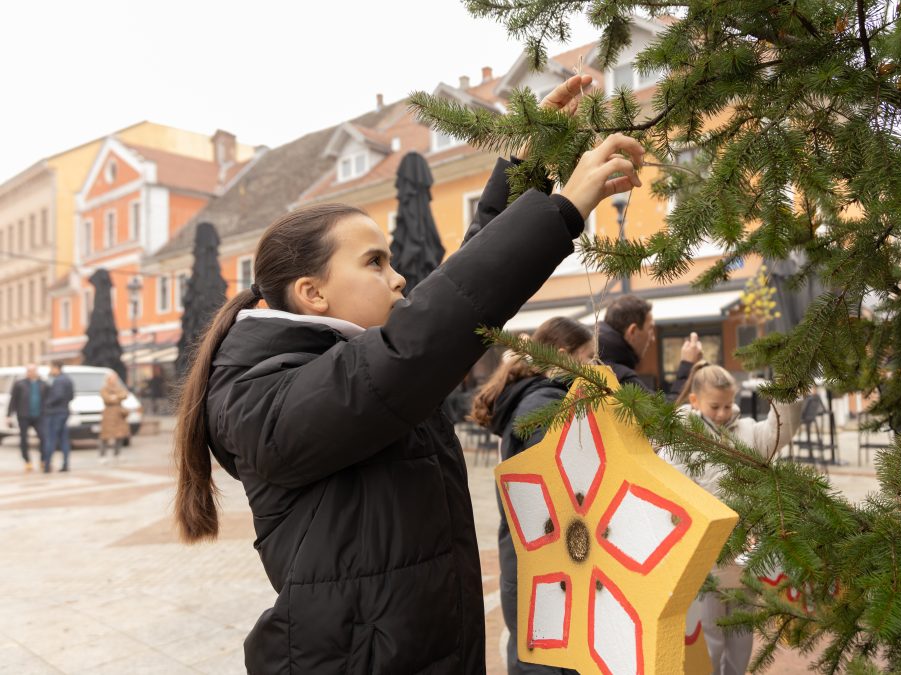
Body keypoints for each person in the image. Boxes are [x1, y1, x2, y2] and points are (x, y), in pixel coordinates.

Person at [171, 74, 644, 675]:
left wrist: (526, 169)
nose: (397, 279)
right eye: (375, 263)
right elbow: (423, 336)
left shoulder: (361, 364)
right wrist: (561, 212)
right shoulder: (260, 396)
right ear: (312, 293)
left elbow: (448, 301)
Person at [471, 316, 593, 675]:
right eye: (588, 357)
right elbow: (560, 489)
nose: (593, 368)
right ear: (561, 356)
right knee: (544, 656)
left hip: (526, 554)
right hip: (545, 558)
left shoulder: (532, 398)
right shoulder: (545, 406)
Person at [664, 362, 803, 675]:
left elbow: (778, 433)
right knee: (708, 630)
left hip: (744, 551)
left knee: (741, 629)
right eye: (715, 406)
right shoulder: (680, 438)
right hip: (701, 553)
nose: (724, 412)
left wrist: (788, 394)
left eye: (728, 404)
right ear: (695, 401)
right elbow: (672, 490)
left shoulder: (748, 433)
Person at [597, 294, 700, 397]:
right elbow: (666, 411)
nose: (653, 338)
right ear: (632, 331)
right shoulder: (619, 376)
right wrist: (688, 365)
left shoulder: (596, 361)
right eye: (650, 329)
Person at [7, 364, 48, 472]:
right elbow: (13, 400)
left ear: (36, 371)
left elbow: (48, 399)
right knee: (24, 439)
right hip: (24, 415)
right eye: (29, 371)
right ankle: (27, 461)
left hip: (39, 416)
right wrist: (8, 415)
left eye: (33, 370)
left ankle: (43, 460)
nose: (31, 373)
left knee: (43, 437)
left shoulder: (43, 384)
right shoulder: (19, 384)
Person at [42, 361, 75, 472]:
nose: (50, 371)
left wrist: (47, 403)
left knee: (51, 439)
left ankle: (47, 465)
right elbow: (71, 396)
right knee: (64, 439)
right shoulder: (67, 379)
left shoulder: (59, 380)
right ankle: (65, 464)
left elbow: (58, 396)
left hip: (55, 413)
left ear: (56, 368)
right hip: (64, 411)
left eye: (51, 368)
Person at [99, 372, 130, 464]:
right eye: (113, 378)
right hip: (108, 415)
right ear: (108, 379)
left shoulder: (119, 388)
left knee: (119, 435)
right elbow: (107, 399)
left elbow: (125, 395)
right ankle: (102, 455)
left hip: (119, 415)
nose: (114, 380)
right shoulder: (104, 388)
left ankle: (117, 454)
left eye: (115, 378)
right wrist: (117, 397)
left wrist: (115, 396)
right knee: (105, 436)